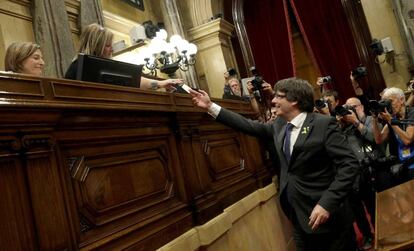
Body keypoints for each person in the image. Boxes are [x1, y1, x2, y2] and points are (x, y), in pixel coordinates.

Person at [190, 77, 359, 251]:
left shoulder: (323, 124)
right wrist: (210, 106)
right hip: (298, 218)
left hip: (328, 218)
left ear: (294, 101)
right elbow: (248, 125)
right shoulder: (280, 125)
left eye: (279, 97)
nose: (273, 100)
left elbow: (349, 165)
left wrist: (327, 203)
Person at [65, 23, 181, 90]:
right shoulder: (77, 67)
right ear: (96, 46)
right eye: (108, 45)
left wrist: (162, 83)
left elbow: (135, 80)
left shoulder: (108, 66)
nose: (112, 49)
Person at [372, 87, 414, 184]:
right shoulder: (393, 118)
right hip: (402, 165)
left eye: (390, 101)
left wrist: (390, 121)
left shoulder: (412, 113)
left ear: (402, 100)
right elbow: (378, 139)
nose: (388, 105)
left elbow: (407, 140)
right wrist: (374, 118)